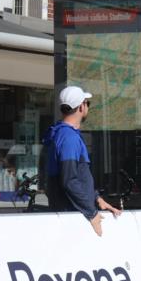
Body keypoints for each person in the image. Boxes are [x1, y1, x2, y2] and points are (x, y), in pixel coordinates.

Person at [44, 86, 121, 236]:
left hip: (73, 214)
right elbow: (69, 180)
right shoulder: (69, 138)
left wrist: (97, 198)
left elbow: (77, 176)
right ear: (81, 107)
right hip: (74, 217)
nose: (87, 107)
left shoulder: (62, 133)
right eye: (87, 103)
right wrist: (92, 213)